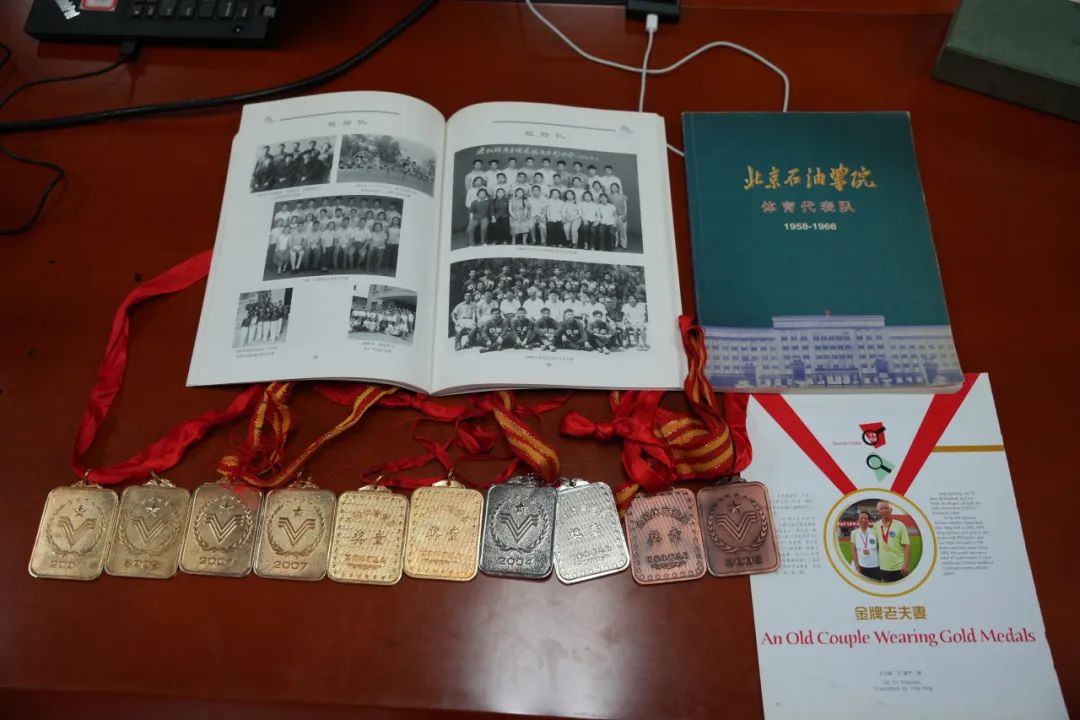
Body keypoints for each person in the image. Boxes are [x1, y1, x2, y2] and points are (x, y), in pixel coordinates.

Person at [873, 500, 911, 582]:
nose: (884, 510)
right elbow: (873, 545)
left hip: (899, 567)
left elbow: (906, 546)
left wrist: (906, 565)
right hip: (883, 567)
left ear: (891, 510)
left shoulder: (900, 525)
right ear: (878, 512)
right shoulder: (876, 526)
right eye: (881, 508)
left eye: (886, 508)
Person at [850, 511, 880, 581]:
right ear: (858, 520)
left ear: (868, 520)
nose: (863, 520)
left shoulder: (875, 532)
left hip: (875, 566)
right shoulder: (854, 533)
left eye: (865, 518)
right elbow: (854, 550)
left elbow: (879, 549)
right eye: (861, 518)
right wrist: (856, 566)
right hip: (861, 567)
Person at [609, 183, 629, 250]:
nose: (614, 188)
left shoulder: (623, 196)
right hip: (612, 216)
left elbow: (625, 207)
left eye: (615, 187)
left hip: (621, 215)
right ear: (610, 188)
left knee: (623, 231)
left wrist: (624, 215)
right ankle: (616, 243)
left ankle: (624, 244)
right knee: (615, 231)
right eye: (612, 187)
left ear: (618, 188)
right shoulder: (609, 196)